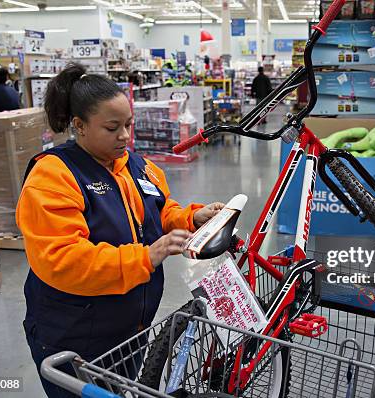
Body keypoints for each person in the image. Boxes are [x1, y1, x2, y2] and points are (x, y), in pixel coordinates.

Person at [16, 63, 224, 397]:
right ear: (80, 126)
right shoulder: (53, 176)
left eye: (128, 124)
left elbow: (159, 210)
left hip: (129, 330)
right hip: (73, 335)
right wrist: (147, 256)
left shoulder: (136, 165)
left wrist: (190, 219)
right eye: (112, 128)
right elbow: (62, 260)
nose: (125, 136)